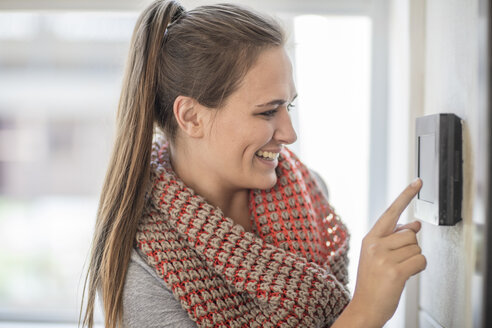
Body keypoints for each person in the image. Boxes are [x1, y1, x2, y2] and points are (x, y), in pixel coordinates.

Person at [80, 1, 427, 327]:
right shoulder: (140, 262)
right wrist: (365, 313)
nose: (289, 134)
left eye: (288, 107)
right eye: (267, 111)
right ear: (191, 117)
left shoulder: (311, 190)